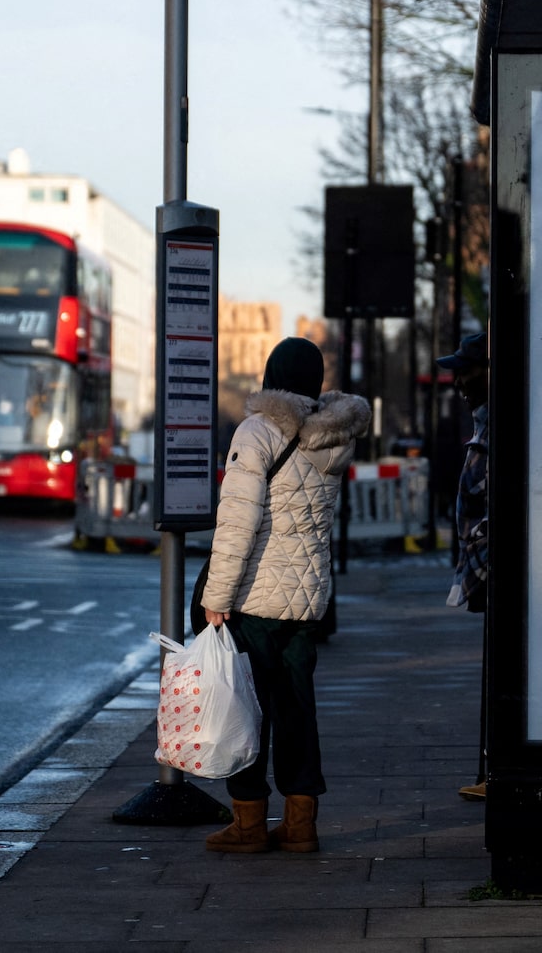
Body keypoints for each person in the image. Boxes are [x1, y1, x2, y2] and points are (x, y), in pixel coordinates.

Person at [200, 337, 370, 855]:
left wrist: (216, 596)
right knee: (298, 710)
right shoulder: (335, 437)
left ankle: (249, 822)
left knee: (248, 710)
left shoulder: (257, 430)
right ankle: (301, 824)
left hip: (254, 599)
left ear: (272, 375)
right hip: (305, 601)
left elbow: (236, 523)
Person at [440, 333, 490, 801]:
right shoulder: (483, 420)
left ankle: (495, 772)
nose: (458, 381)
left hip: (493, 567)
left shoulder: (497, 423)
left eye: (467, 370)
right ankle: (490, 771)